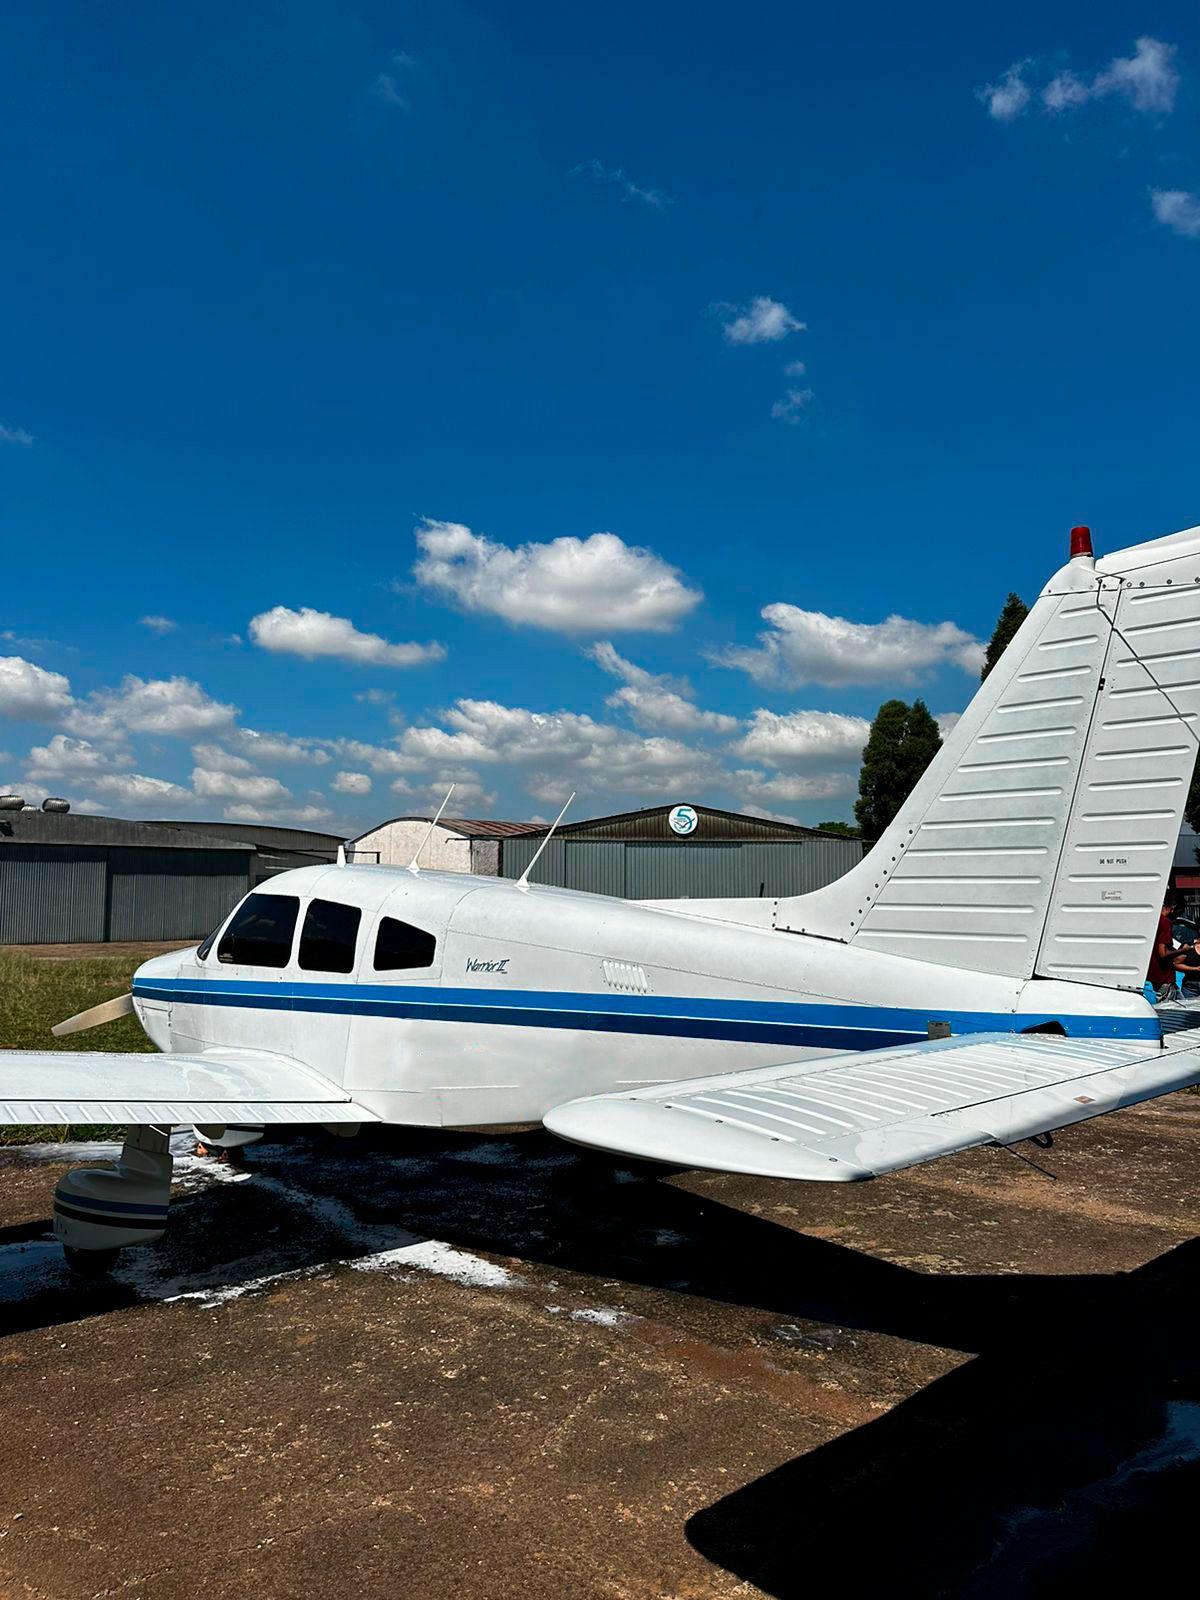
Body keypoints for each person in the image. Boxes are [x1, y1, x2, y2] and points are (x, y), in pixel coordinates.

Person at [1147, 891, 1179, 1002]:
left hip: (1152, 974)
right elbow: (1163, 953)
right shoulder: (1165, 922)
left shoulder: (1151, 919)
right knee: (1168, 1007)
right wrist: (1182, 951)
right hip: (1164, 976)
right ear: (1173, 908)